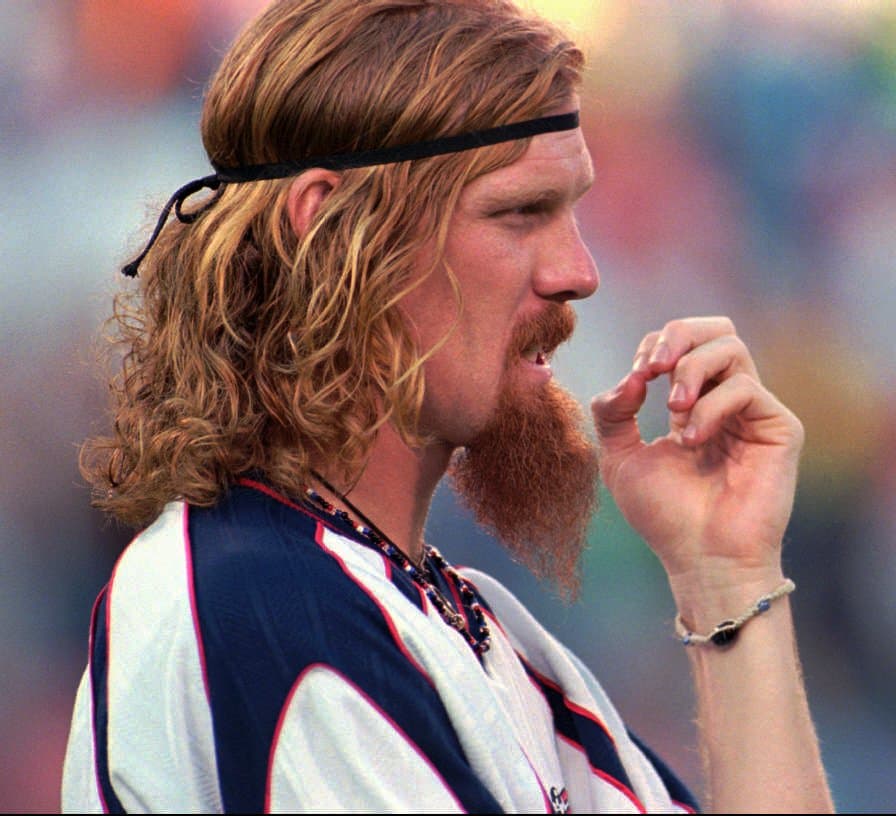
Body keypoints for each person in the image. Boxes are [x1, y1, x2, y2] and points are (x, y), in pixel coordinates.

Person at [61, 0, 834, 812]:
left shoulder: (481, 627)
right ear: (329, 231)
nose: (580, 271)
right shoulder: (260, 604)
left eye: (572, 212)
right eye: (519, 213)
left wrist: (726, 575)